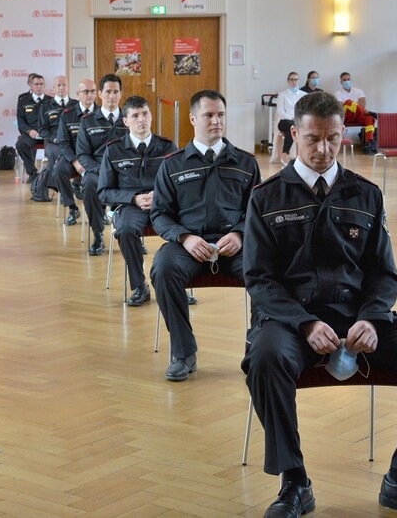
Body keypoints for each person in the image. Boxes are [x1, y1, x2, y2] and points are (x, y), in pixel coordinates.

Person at [242, 92, 397, 518]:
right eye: (312, 139)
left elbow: (384, 273)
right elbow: (259, 279)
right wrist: (305, 323)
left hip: (359, 320)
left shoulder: (366, 193)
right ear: (294, 135)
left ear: (343, 135)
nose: (323, 150)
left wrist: (373, 318)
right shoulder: (265, 198)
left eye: (332, 139)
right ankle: (294, 482)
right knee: (264, 359)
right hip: (291, 323)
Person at [149, 90, 260, 381]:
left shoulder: (246, 163)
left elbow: (258, 213)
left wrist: (239, 233)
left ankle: (259, 349)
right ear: (192, 118)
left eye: (221, 115)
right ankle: (183, 352)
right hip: (189, 246)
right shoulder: (172, 164)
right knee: (163, 269)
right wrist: (184, 237)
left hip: (234, 248)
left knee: (265, 270)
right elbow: (159, 214)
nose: (216, 121)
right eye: (209, 115)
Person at [97, 96, 176, 306]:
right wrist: (134, 198)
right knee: (124, 229)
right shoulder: (113, 150)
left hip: (164, 204)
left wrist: (158, 196)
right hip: (131, 206)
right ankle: (139, 286)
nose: (141, 120)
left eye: (145, 114)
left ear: (151, 116)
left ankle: (178, 283)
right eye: (135, 116)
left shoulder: (168, 147)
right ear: (125, 121)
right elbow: (104, 192)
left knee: (190, 222)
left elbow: (181, 185)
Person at [77, 74, 127, 256]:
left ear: (121, 94)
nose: (112, 96)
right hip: (96, 170)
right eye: (108, 92)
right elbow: (82, 153)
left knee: (138, 185)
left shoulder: (129, 119)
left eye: (116, 92)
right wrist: (101, 170)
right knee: (89, 184)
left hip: (124, 170)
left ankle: (131, 235)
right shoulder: (87, 120)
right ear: (100, 94)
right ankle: (98, 234)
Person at [52, 78, 98, 226]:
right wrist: (75, 162)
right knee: (58, 170)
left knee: (103, 173)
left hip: (94, 157)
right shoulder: (67, 114)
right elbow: (63, 143)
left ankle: (101, 210)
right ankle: (72, 207)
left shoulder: (102, 113)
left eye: (92, 92)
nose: (89, 95)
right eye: (85, 92)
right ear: (78, 93)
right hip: (73, 157)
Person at [38, 75, 78, 178]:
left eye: (64, 85)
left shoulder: (77, 105)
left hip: (73, 140)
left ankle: (77, 183)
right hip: (54, 142)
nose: (61, 88)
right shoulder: (45, 106)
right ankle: (58, 183)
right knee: (58, 153)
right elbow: (42, 129)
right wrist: (54, 138)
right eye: (58, 85)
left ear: (68, 87)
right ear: (53, 88)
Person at [15, 73, 48, 183]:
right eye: (36, 84)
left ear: (45, 85)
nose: (39, 86)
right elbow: (20, 120)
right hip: (32, 133)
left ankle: (51, 174)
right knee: (20, 144)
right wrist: (29, 131)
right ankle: (33, 173)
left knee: (57, 147)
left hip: (48, 134)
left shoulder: (51, 101)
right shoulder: (23, 101)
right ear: (31, 86)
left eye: (41, 84)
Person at [271, 72, 307, 165]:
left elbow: (305, 110)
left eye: (296, 79)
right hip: (284, 121)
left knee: (292, 128)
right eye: (292, 79)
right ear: (288, 81)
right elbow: (280, 112)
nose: (294, 82)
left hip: (297, 122)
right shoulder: (282, 94)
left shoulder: (304, 95)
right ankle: (285, 153)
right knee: (291, 126)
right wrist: (292, 118)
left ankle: (287, 154)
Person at [335, 72, 376, 153]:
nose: (346, 81)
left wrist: (355, 108)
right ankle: (369, 112)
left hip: (358, 116)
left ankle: (368, 142)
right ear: (341, 82)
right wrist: (353, 105)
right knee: (348, 102)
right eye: (344, 80)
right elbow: (340, 108)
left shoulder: (359, 91)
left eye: (348, 79)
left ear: (351, 80)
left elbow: (362, 104)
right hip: (346, 117)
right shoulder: (338, 93)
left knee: (370, 118)